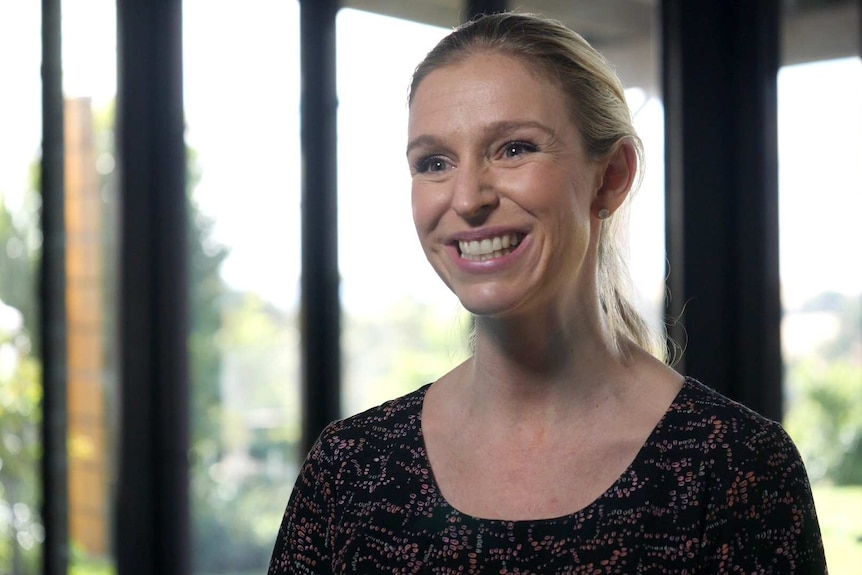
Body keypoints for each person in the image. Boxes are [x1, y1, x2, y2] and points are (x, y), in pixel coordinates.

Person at [268, 12, 827, 574]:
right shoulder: (349, 469)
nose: (467, 199)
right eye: (434, 163)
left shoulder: (738, 467)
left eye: (513, 149)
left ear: (611, 175)